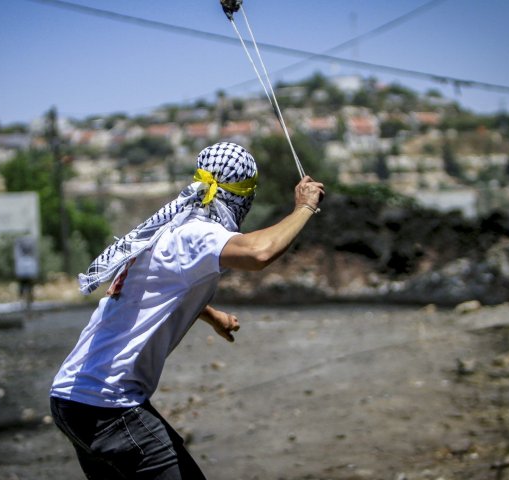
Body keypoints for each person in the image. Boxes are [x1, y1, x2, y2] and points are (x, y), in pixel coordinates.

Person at [50, 142, 325, 479]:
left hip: (71, 398)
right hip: (109, 404)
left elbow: (157, 292)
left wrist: (211, 316)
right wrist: (305, 206)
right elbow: (259, 253)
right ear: (243, 194)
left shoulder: (166, 230)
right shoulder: (196, 234)